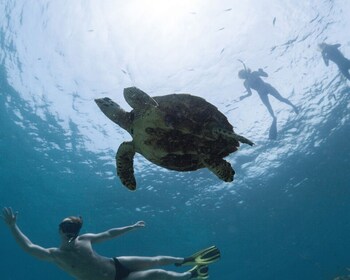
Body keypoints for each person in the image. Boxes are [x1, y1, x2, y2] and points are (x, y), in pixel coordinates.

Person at [1, 207, 220, 280]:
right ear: (59, 230)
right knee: (156, 274)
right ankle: (188, 276)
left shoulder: (84, 239)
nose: (70, 232)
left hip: (116, 264)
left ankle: (185, 260)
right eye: (67, 228)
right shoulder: (55, 255)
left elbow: (108, 233)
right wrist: (12, 226)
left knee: (156, 259)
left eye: (73, 229)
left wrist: (131, 227)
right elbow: (29, 248)